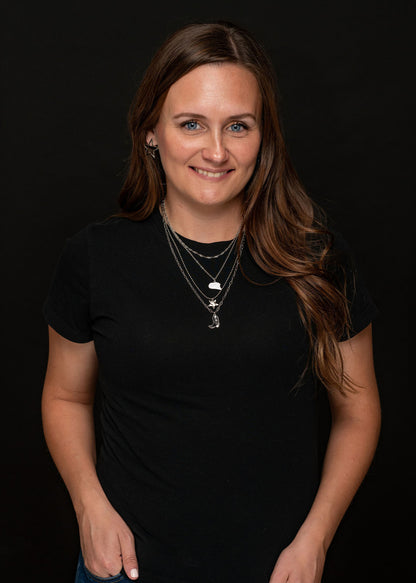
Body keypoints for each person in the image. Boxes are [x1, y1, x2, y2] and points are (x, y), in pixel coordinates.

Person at [41, 20, 381, 583]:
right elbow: (65, 397)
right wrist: (88, 507)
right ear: (152, 130)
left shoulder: (317, 257)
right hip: (125, 571)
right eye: (191, 124)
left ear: (263, 136)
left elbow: (358, 411)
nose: (216, 151)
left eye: (239, 126)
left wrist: (314, 542)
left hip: (277, 571)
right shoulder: (95, 257)